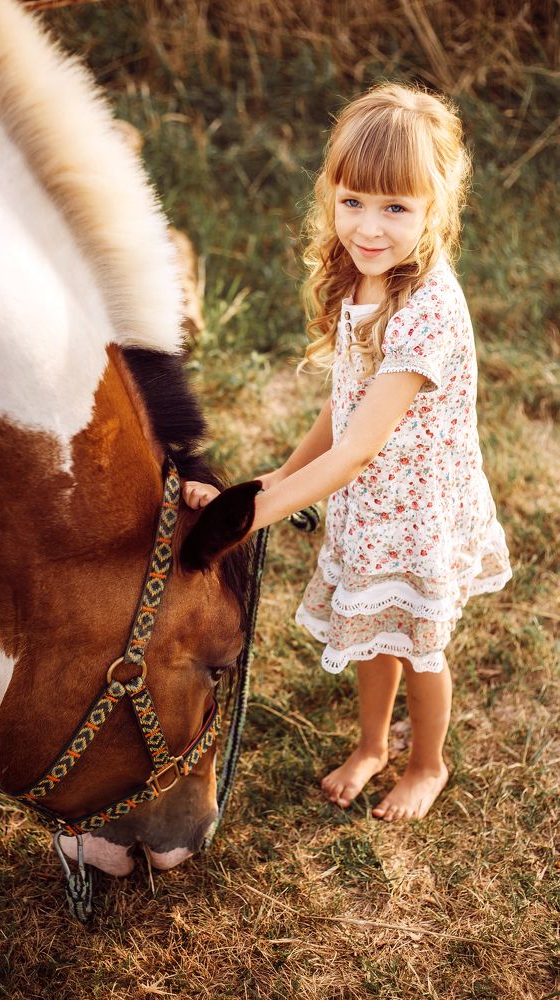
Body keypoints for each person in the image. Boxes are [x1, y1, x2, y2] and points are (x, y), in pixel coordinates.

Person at [183, 83, 511, 822]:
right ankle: (371, 745)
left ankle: (427, 762)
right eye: (354, 200)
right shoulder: (361, 273)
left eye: (396, 208)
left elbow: (361, 448)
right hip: (369, 507)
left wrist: (251, 516)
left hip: (416, 513)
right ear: (331, 192)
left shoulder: (428, 309)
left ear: (435, 208)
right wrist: (269, 481)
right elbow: (346, 403)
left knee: (420, 652)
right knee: (371, 637)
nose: (369, 226)